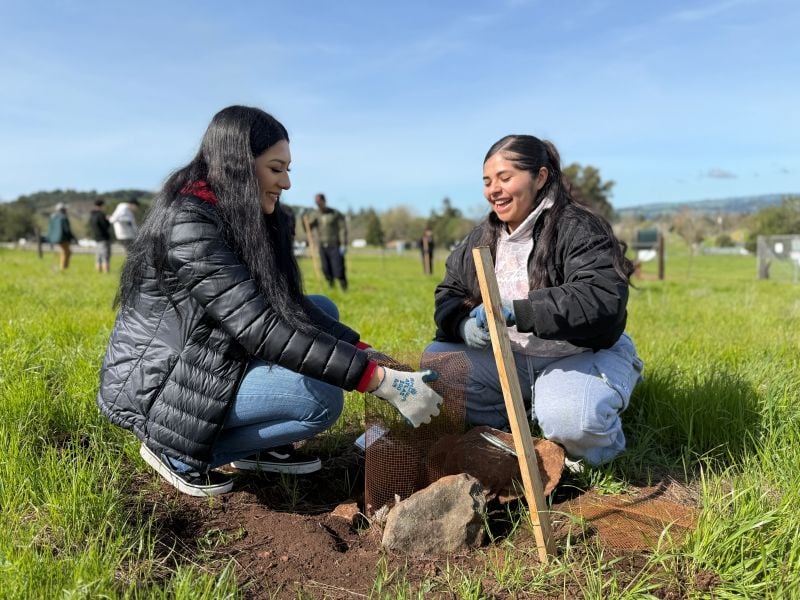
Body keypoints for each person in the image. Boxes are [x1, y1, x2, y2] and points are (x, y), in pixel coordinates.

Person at [96, 105, 442, 497]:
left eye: (288, 170)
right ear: (238, 165)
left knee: (322, 308)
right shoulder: (190, 224)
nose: (287, 183)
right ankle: (174, 450)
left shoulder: (248, 216)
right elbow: (260, 327)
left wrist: (368, 353)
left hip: (210, 352)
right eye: (276, 169)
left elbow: (287, 304)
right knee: (320, 399)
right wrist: (375, 380)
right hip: (163, 385)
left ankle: (260, 445)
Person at [423, 135, 643, 468]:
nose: (493, 189)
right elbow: (449, 292)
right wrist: (462, 324)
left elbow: (600, 297)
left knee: (573, 420)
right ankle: (522, 413)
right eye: (487, 181)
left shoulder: (578, 228)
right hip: (513, 357)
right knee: (437, 363)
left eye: (504, 178)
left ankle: (596, 439)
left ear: (540, 177)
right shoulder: (480, 237)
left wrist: (521, 310)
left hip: (577, 354)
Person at [307, 193, 348, 290]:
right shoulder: (315, 215)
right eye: (317, 203)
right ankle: (331, 287)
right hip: (322, 246)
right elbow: (308, 227)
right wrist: (304, 217)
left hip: (335, 245)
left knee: (338, 268)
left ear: (324, 201)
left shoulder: (334, 213)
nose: (319, 205)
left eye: (320, 202)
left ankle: (344, 287)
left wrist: (343, 243)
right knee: (326, 269)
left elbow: (342, 228)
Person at [47, 202, 77, 270]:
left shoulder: (52, 217)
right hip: (63, 238)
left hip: (54, 238)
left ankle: (63, 267)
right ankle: (63, 267)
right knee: (67, 252)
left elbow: (50, 229)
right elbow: (67, 229)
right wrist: (73, 238)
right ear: (62, 209)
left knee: (64, 251)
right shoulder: (63, 217)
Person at [89, 198, 112, 273]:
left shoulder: (92, 215)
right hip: (104, 238)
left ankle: (98, 272)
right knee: (105, 256)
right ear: (102, 205)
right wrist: (108, 220)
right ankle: (106, 273)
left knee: (98, 257)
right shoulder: (101, 215)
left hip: (96, 238)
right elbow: (105, 226)